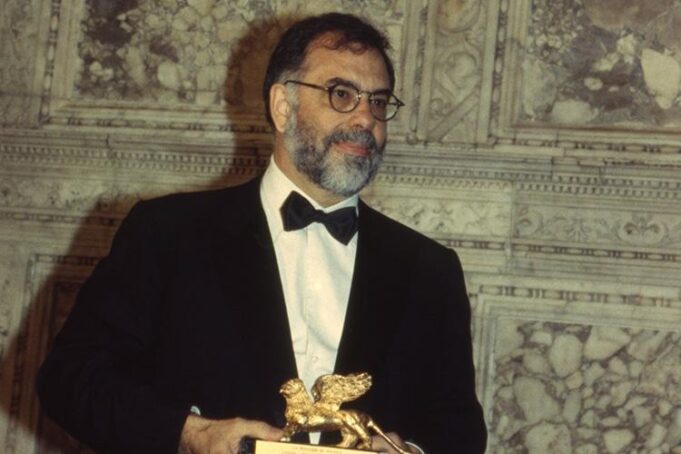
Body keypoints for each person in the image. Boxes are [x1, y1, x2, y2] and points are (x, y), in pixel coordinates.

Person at [37, 12, 487, 454]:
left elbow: (459, 430)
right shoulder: (167, 233)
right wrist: (189, 434)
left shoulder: (430, 269)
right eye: (342, 94)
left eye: (378, 101)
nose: (366, 119)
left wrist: (410, 452)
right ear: (282, 106)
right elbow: (70, 378)